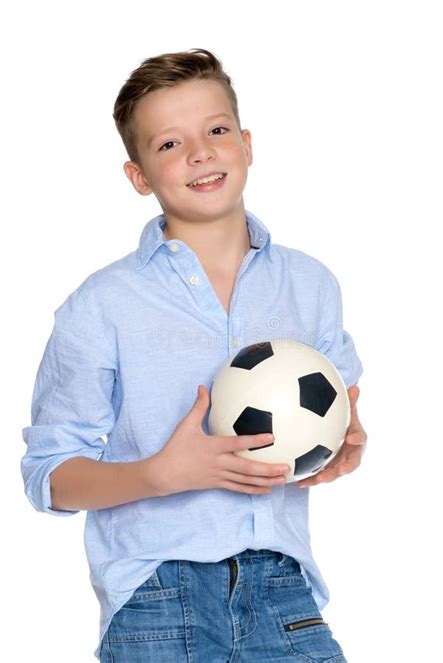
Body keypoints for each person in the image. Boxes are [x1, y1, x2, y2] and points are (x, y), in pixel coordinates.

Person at [21, 48, 367, 662]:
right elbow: (49, 476)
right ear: (138, 176)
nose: (201, 153)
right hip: (158, 596)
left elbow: (333, 418)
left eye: (215, 130)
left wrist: (341, 447)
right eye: (169, 144)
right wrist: (160, 475)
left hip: (286, 592)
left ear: (247, 143)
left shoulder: (311, 285)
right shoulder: (101, 305)